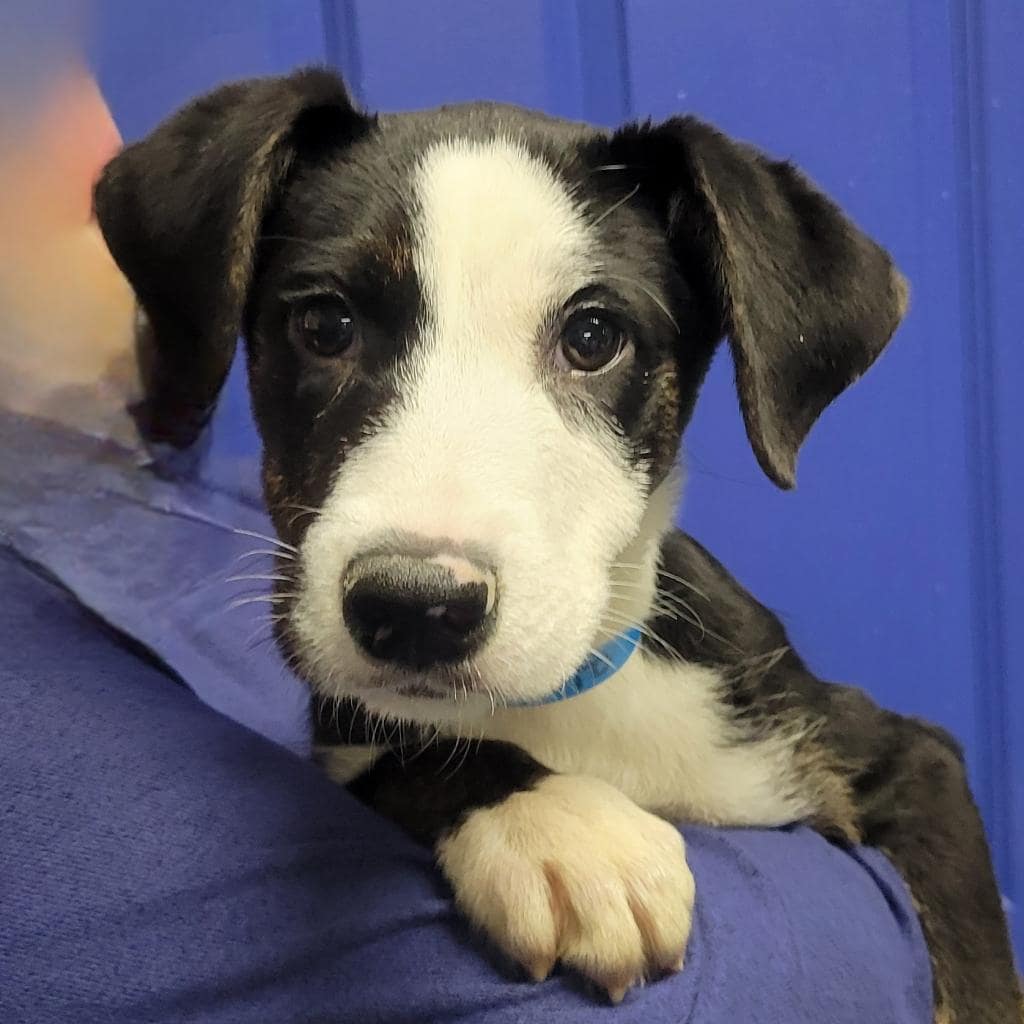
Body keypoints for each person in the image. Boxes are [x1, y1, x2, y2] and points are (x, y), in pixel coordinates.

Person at [0, 65, 932, 1024]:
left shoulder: (735, 687)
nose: (422, 563)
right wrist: (467, 791)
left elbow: (914, 780)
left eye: (591, 339)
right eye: (328, 327)